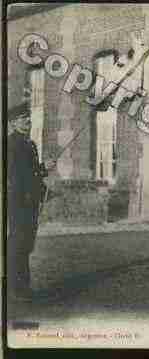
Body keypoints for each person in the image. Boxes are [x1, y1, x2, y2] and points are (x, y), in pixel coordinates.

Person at [7, 101, 56, 301]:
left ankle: (22, 287)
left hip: (29, 201)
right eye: (22, 118)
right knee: (18, 243)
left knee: (26, 244)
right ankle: (16, 288)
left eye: (28, 117)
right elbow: (18, 175)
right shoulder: (11, 144)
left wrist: (43, 169)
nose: (27, 121)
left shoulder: (29, 144)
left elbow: (32, 172)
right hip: (19, 201)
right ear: (12, 122)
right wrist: (42, 171)